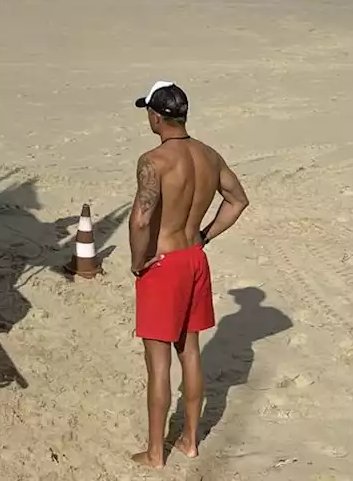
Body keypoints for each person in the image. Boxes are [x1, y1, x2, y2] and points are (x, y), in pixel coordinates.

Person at [128, 82, 250, 467]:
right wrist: (205, 235)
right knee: (191, 351)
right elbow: (238, 200)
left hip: (163, 264)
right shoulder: (209, 156)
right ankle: (191, 440)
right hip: (195, 257)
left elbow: (142, 217)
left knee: (158, 361)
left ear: (155, 116)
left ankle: (154, 453)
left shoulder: (154, 161)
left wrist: (137, 260)